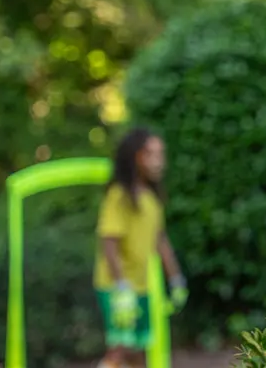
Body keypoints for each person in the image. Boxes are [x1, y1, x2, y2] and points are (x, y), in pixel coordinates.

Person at [93, 127, 189, 368]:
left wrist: (175, 278)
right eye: (151, 154)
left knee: (139, 350)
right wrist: (121, 286)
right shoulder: (119, 196)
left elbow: (160, 241)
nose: (159, 161)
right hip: (117, 286)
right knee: (120, 347)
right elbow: (109, 242)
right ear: (135, 157)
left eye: (161, 154)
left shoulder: (151, 198)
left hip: (142, 285)